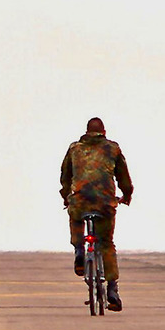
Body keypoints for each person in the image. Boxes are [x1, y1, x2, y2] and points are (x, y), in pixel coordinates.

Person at [59, 118, 133, 312]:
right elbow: (123, 176)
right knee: (106, 243)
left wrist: (66, 196)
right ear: (104, 132)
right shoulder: (112, 149)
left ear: (86, 132)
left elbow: (65, 176)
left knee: (75, 217)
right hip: (105, 204)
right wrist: (127, 194)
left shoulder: (75, 149)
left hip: (80, 200)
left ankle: (79, 252)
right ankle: (112, 291)